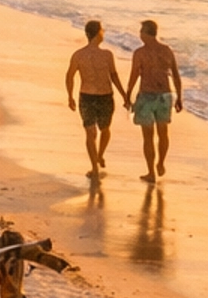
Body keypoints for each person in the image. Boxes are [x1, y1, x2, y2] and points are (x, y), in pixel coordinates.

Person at [65, 18, 127, 174]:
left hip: (104, 96)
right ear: (97, 33)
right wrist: (70, 96)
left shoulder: (106, 55)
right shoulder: (79, 55)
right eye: (102, 30)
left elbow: (114, 76)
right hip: (88, 97)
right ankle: (94, 167)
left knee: (105, 129)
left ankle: (99, 155)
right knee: (90, 132)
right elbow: (70, 76)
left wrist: (124, 95)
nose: (103, 33)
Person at [125, 18, 183, 180]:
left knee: (148, 137)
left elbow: (134, 75)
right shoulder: (166, 50)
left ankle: (151, 172)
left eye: (141, 31)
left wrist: (128, 94)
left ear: (146, 33)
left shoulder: (140, 53)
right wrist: (179, 97)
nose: (139, 35)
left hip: (147, 96)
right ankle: (161, 163)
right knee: (163, 133)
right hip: (165, 95)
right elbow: (176, 75)